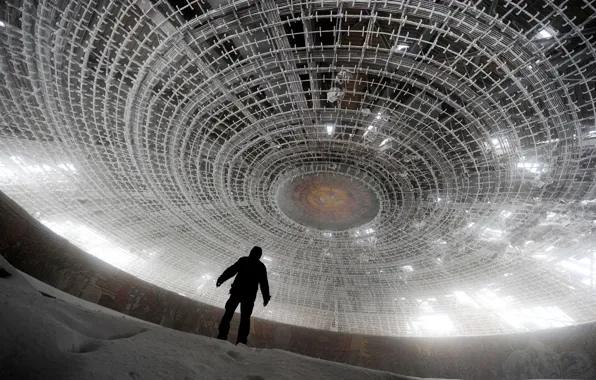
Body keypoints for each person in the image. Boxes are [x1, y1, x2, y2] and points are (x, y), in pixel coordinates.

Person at [216, 246, 271, 345]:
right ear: (260, 255)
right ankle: (241, 341)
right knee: (245, 318)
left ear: (251, 252)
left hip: (236, 291)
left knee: (228, 314)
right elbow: (264, 283)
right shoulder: (260, 266)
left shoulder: (244, 260)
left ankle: (222, 335)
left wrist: (221, 279)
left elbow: (231, 270)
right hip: (249, 296)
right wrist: (266, 297)